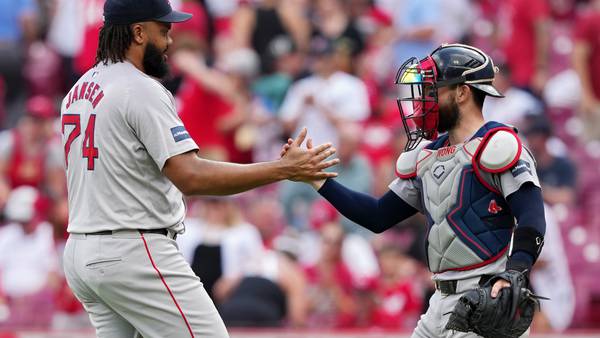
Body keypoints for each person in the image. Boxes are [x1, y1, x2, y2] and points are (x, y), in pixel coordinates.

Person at [60, 1, 339, 337]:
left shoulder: (76, 92)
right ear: (138, 32)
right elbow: (190, 176)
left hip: (81, 251)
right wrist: (282, 169)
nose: (170, 42)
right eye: (163, 31)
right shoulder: (141, 88)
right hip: (133, 249)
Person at [282, 43, 546, 337]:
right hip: (438, 303)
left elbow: (532, 218)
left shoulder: (498, 145)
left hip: (485, 298)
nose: (423, 100)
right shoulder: (426, 156)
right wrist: (318, 179)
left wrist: (515, 273)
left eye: (433, 90)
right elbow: (377, 216)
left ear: (462, 92)